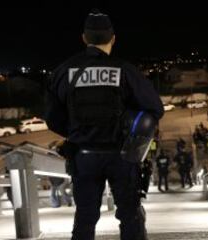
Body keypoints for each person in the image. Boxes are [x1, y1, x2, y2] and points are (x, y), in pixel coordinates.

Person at [45, 10, 164, 240]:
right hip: (122, 156)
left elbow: (53, 118)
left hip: (84, 156)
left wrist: (77, 132)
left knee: (85, 218)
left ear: (84, 38)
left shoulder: (64, 72)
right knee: (131, 216)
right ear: (113, 39)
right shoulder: (125, 71)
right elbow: (155, 110)